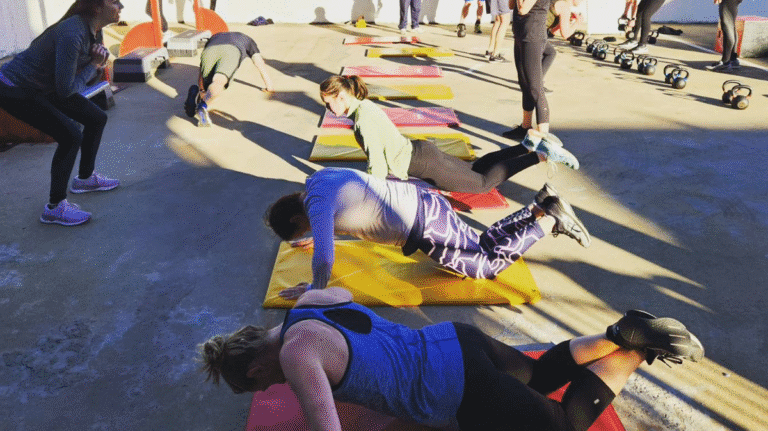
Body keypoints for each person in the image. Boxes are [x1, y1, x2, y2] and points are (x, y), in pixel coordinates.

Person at [199, 288, 704, 431]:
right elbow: (340, 288)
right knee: (542, 372)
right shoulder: (306, 306)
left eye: (262, 386)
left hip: (456, 386)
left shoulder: (296, 356)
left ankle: (636, 348)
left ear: (254, 367)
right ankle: (620, 332)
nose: (272, 389)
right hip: (453, 341)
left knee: (560, 423)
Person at [265, 167, 590, 299]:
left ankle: (550, 220)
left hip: (424, 225)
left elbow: (323, 260)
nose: (309, 230)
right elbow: (351, 208)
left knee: (484, 267)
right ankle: (538, 206)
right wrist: (321, 234)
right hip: (422, 203)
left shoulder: (317, 208)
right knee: (481, 244)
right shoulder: (317, 181)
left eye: (302, 230)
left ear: (298, 217)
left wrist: (314, 291)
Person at [319, 74, 578, 195]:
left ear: (342, 96)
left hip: (419, 162)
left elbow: (375, 161)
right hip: (420, 152)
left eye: (328, 103)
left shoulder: (362, 119)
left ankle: (540, 155)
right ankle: (527, 145)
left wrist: (371, 195)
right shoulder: (364, 106)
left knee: (481, 184)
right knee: (476, 168)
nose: (328, 109)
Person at [0, 0, 121, 226]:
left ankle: (85, 179)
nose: (121, 6)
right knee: (70, 135)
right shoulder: (72, 33)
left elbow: (78, 80)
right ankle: (55, 207)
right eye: (114, 1)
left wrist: (95, 67)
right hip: (15, 88)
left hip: (44, 86)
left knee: (97, 118)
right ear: (97, 8)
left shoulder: (95, 29)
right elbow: (67, 90)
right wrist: (95, 65)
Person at [504, 0, 557, 142]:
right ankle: (526, 127)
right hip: (520, 33)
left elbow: (524, 8)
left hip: (532, 34)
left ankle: (543, 137)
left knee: (535, 87)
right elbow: (510, 3)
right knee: (524, 82)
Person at [184, 31, 274, 127]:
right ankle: (203, 105)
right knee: (219, 82)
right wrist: (269, 87)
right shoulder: (248, 40)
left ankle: (198, 97)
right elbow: (259, 64)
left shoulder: (216, 36)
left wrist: (202, 89)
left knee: (208, 88)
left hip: (210, 50)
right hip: (231, 50)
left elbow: (201, 70)